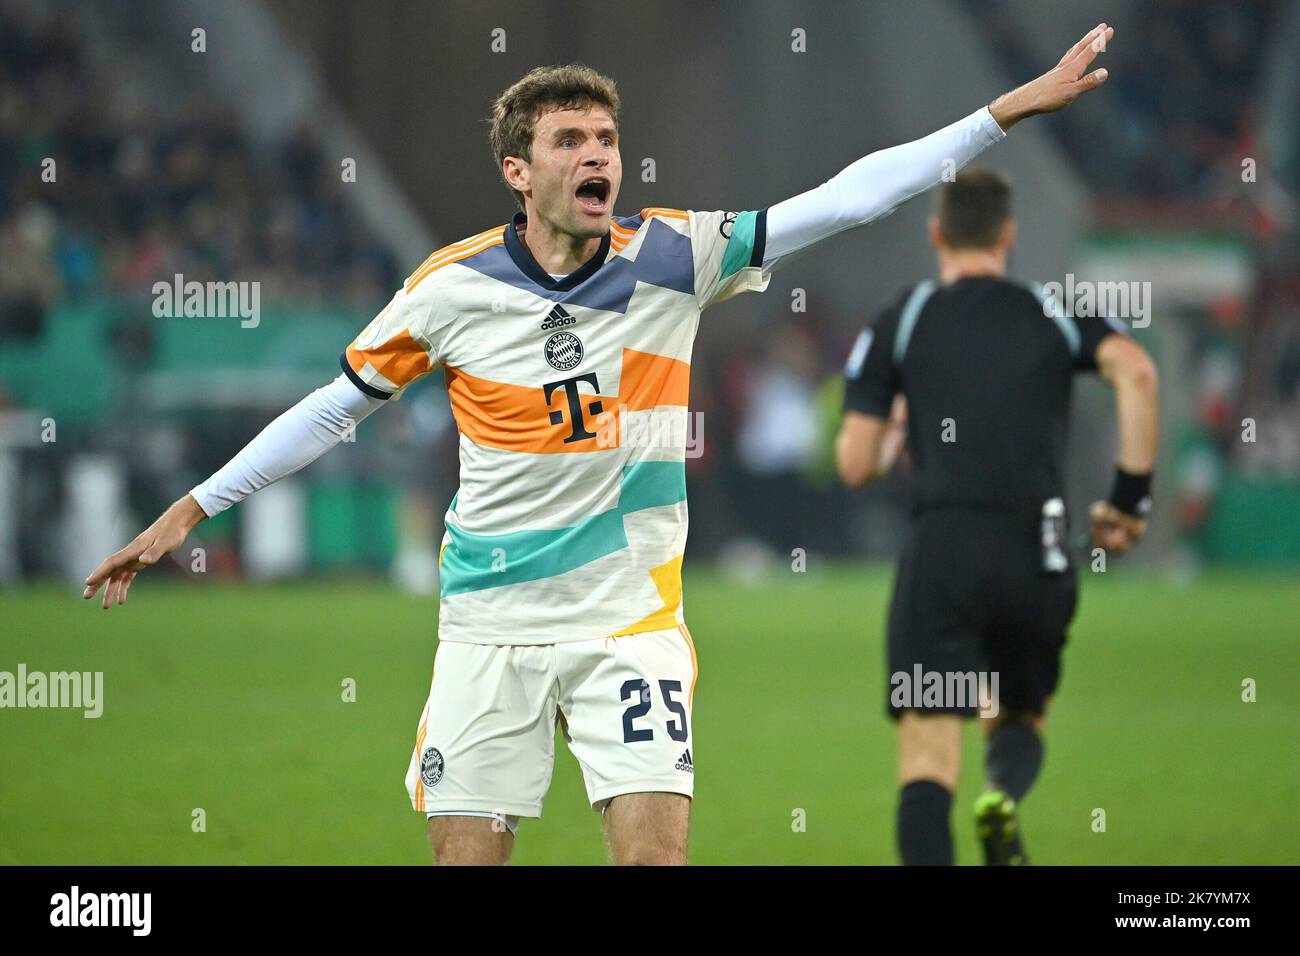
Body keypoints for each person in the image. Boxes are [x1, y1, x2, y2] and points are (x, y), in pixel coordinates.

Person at [83, 25, 1117, 865]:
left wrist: (1001, 112)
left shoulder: (674, 253)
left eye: (606, 140)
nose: (597, 158)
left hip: (630, 617)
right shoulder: (449, 288)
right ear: (516, 169)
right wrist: (191, 508)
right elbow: (331, 407)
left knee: (654, 859)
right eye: (570, 140)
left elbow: (849, 198)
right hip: (488, 623)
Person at [836, 166, 1159, 865]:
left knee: (928, 758)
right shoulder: (1052, 310)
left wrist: (892, 434)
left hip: (944, 549)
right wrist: (1128, 502)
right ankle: (1004, 797)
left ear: (936, 234)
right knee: (1019, 713)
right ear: (1008, 235)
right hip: (1036, 551)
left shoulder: (905, 317)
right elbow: (1138, 374)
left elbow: (855, 463)